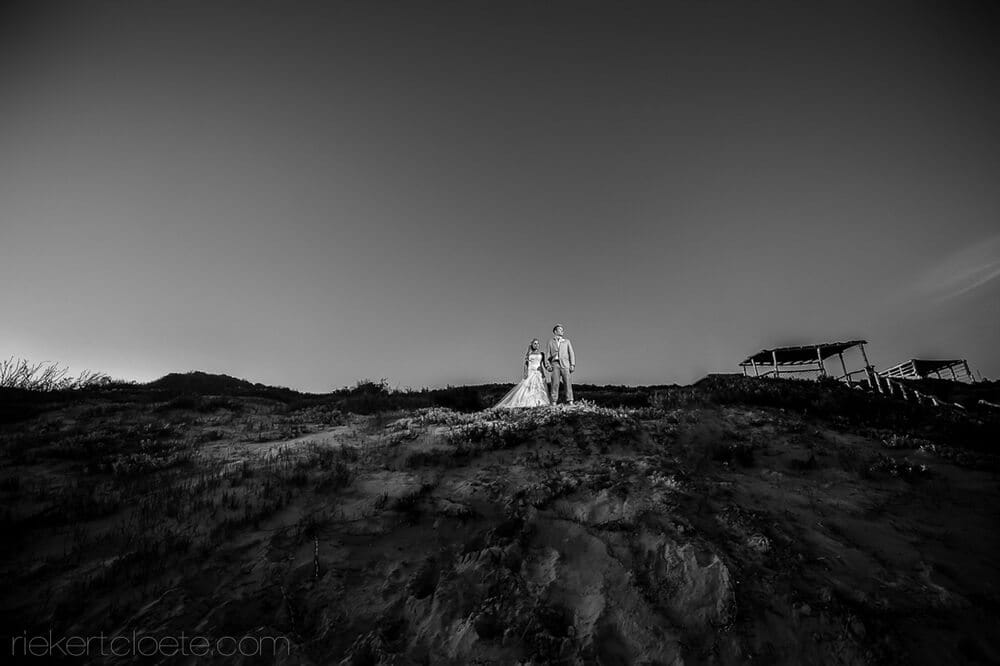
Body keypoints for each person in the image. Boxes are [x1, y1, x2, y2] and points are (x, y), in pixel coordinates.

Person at [493, 339, 552, 408]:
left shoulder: (542, 354)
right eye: (535, 343)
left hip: (539, 372)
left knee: (539, 387)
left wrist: (548, 368)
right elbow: (526, 364)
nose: (536, 345)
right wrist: (525, 373)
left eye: (538, 343)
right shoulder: (529, 354)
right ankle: (529, 402)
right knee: (528, 387)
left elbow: (544, 364)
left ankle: (539, 401)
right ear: (532, 345)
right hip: (531, 371)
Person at [547, 324, 576, 404]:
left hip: (565, 364)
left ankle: (570, 400)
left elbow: (571, 353)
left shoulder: (567, 341)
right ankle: (553, 401)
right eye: (560, 329)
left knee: (567, 382)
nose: (562, 331)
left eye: (562, 329)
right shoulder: (550, 342)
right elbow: (548, 355)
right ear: (555, 331)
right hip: (555, 364)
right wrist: (548, 365)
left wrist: (572, 364)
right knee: (555, 383)